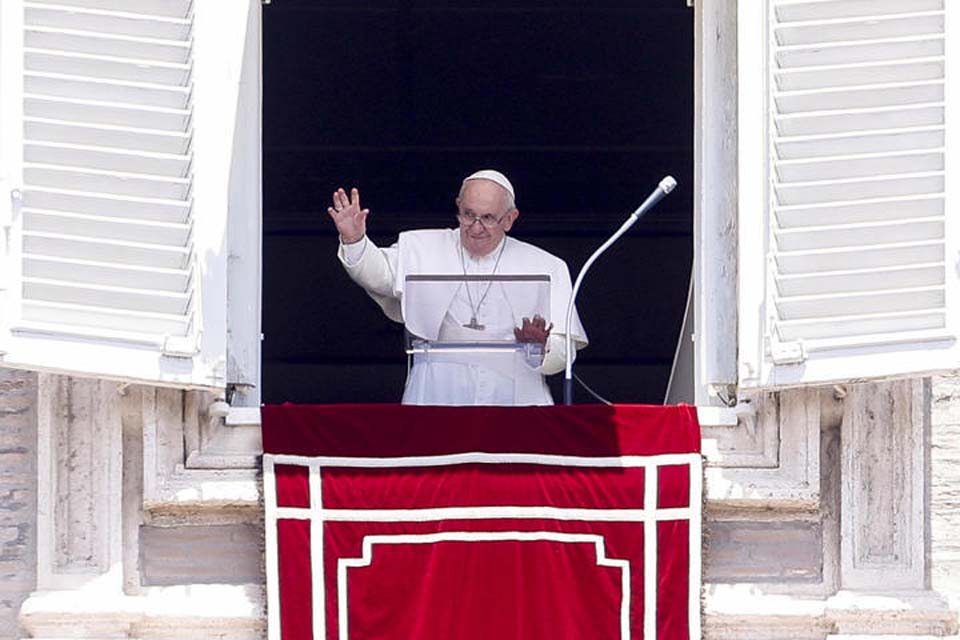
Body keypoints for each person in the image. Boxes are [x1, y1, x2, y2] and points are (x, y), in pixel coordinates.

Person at [329, 169, 587, 405]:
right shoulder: (422, 246)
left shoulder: (545, 265)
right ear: (458, 207)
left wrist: (543, 347)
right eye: (468, 215)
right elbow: (380, 276)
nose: (476, 227)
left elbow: (565, 350)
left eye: (488, 218)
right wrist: (355, 240)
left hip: (516, 396)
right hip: (436, 392)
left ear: (510, 219)